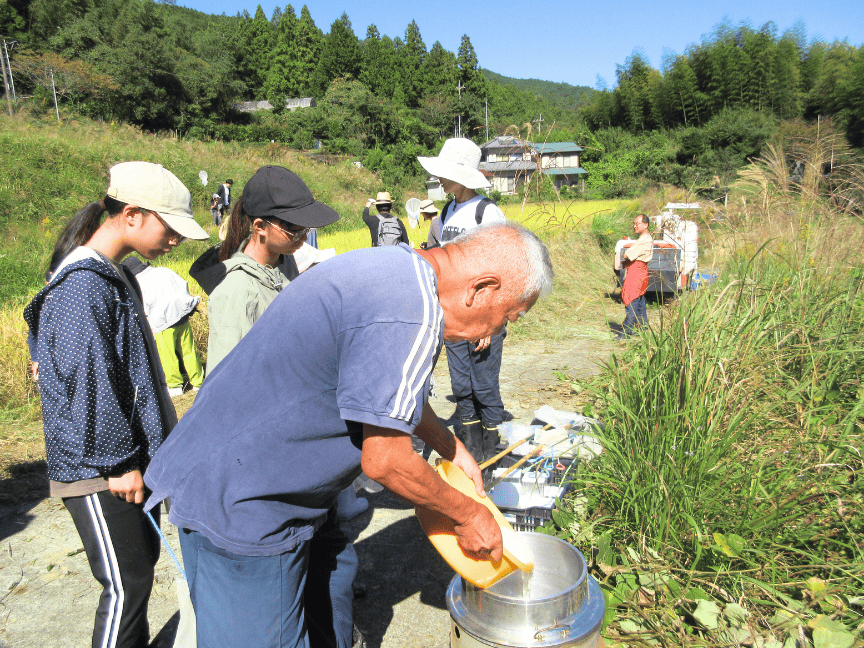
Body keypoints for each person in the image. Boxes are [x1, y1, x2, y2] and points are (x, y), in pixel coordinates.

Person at [143, 221, 554, 648]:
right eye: (509, 316)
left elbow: (388, 393)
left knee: (332, 583)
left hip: (264, 485)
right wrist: (469, 514)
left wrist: (448, 445)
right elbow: (386, 460)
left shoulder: (397, 271)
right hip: (244, 502)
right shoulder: (411, 310)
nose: (497, 331)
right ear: (481, 288)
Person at [23, 161, 208, 648]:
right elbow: (89, 383)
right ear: (132, 215)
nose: (176, 241)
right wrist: (121, 462)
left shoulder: (110, 274)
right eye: (170, 228)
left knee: (138, 574)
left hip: (121, 461)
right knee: (126, 586)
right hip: (99, 466)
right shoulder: (83, 285)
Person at [191, 165, 340, 375]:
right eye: (294, 230)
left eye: (306, 229)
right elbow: (225, 383)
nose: (304, 237)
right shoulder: (236, 291)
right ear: (260, 226)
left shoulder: (285, 263)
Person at [417, 138, 508, 465]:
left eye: (445, 173)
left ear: (464, 176)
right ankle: (472, 453)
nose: (439, 179)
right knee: (464, 388)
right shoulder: (447, 210)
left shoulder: (487, 211)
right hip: (455, 316)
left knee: (484, 385)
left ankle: (492, 451)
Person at [121, 256, 204, 396]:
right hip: (181, 315)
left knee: (168, 355)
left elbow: (143, 306)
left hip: (162, 321)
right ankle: (198, 382)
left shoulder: (139, 282)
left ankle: (175, 387)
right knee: (189, 351)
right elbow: (183, 284)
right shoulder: (163, 270)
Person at [615, 213, 653, 340]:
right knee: (639, 299)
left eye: (637, 223)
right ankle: (642, 327)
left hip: (636, 272)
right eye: (634, 223)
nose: (634, 226)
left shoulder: (644, 240)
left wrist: (626, 253)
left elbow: (627, 255)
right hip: (639, 271)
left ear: (646, 225)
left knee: (631, 299)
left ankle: (626, 332)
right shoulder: (644, 238)